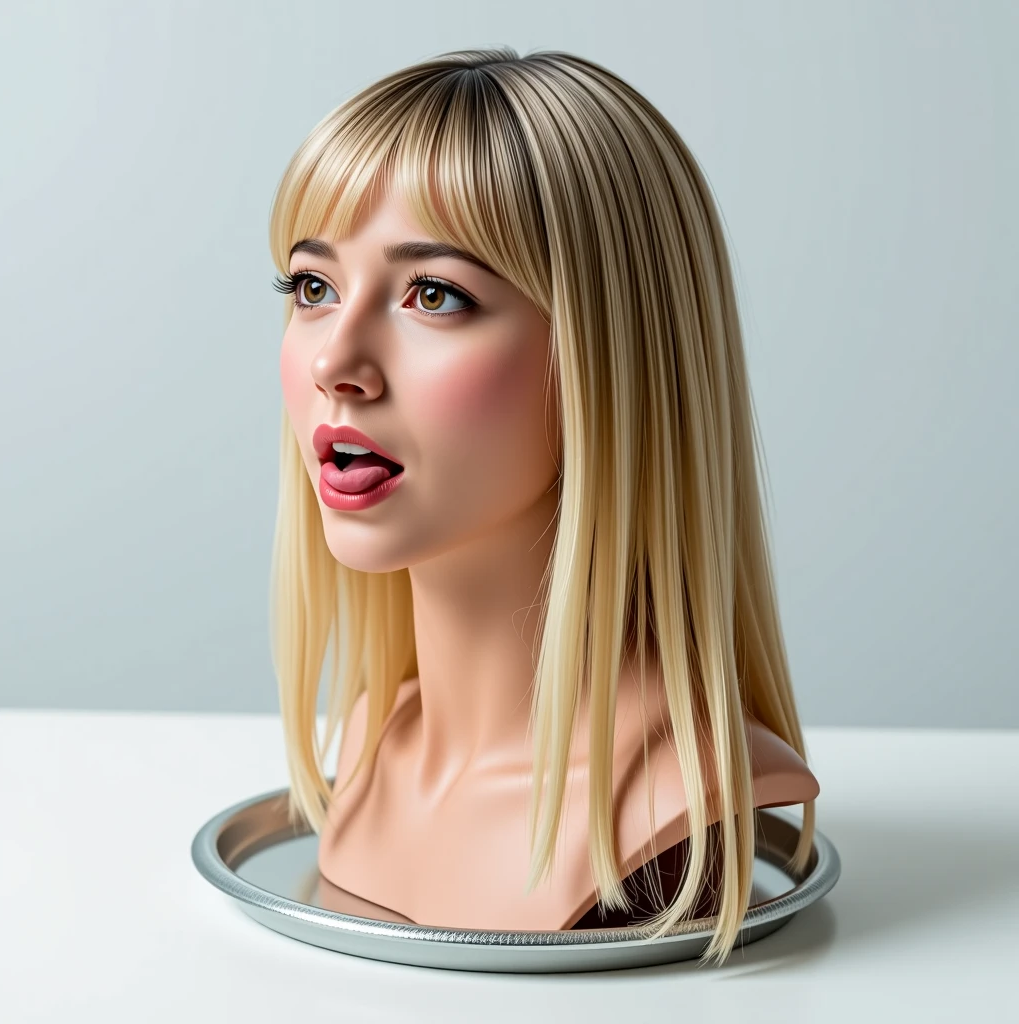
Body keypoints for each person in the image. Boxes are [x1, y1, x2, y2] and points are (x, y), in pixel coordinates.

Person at [267, 47, 819, 967]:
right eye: (312, 288)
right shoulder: (365, 741)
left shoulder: (681, 795)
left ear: (614, 358)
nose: (333, 364)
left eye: (433, 294)